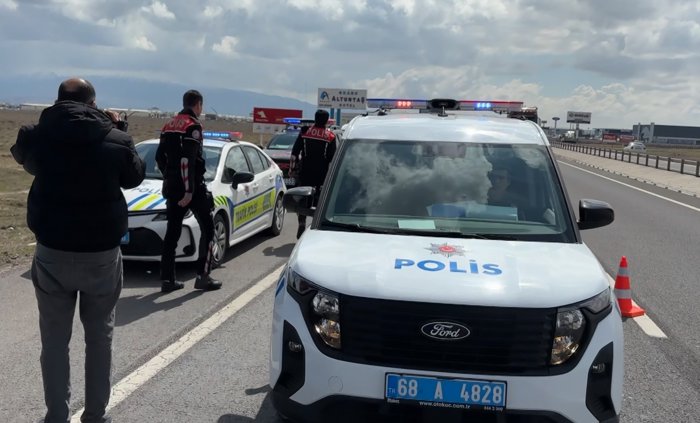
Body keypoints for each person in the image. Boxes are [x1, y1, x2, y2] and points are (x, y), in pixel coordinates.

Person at [10, 78, 145, 423]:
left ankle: (57, 414)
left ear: (58, 102)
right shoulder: (115, 139)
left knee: (54, 341)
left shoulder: (36, 136)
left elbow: (25, 159)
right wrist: (119, 128)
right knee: (99, 337)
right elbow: (134, 177)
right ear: (93, 104)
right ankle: (95, 415)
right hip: (101, 254)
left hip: (52, 251)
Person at [156, 89, 221, 292]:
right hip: (191, 187)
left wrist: (169, 176)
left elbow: (159, 157)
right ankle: (203, 276)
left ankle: (167, 280)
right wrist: (189, 191)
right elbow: (187, 160)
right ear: (198, 105)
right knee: (208, 229)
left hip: (172, 186)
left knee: (172, 233)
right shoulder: (193, 126)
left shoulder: (168, 125)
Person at [290, 109, 337, 239]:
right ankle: (317, 225)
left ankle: (301, 222)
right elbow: (332, 158)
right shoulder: (330, 136)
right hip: (322, 175)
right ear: (326, 121)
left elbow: (295, 153)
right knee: (320, 200)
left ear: (315, 119)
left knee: (303, 198)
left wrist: (292, 170)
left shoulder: (305, 132)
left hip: (305, 172)